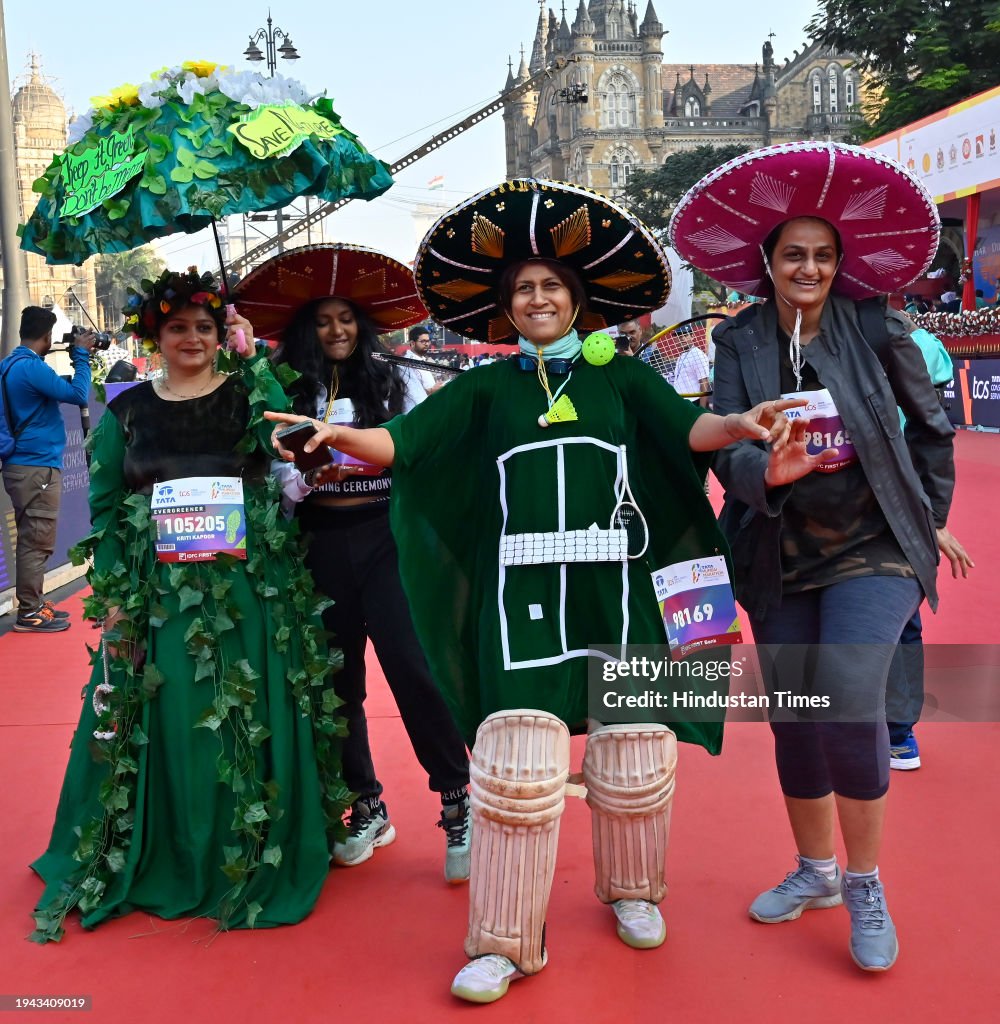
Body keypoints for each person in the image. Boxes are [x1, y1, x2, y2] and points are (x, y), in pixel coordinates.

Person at [266, 179, 799, 1003]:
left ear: (578, 301)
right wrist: (339, 435)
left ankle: (633, 890)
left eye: (552, 286)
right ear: (506, 307)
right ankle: (505, 941)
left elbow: (688, 431)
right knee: (515, 770)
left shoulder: (620, 378)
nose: (539, 297)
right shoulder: (483, 389)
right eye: (524, 289)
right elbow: (401, 443)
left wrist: (739, 425)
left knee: (635, 752)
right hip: (518, 608)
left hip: (621, 592)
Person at [670, 141, 967, 972]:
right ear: (767, 262)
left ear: (841, 264)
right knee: (798, 718)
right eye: (794, 254)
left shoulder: (876, 323)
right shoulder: (738, 342)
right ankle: (816, 871)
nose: (809, 267)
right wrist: (763, 467)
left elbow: (932, 429)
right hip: (776, 552)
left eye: (823, 256)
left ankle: (866, 881)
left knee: (843, 697)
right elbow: (723, 439)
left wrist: (925, 525)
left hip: (875, 552)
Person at [29, 269, 347, 942]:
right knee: (173, 718)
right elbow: (110, 509)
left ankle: (255, 846)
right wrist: (114, 597)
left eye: (206, 327)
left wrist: (254, 359)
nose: (193, 339)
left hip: (248, 593)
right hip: (161, 598)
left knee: (248, 713)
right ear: (156, 335)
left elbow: (289, 462)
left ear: (221, 334)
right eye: (179, 328)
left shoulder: (250, 399)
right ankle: (172, 847)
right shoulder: (127, 412)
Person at [233, 244, 472, 882]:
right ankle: (365, 806)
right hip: (317, 547)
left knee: (416, 673)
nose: (336, 331)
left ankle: (457, 804)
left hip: (389, 541)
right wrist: (304, 477)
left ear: (363, 325)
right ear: (305, 330)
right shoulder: (286, 389)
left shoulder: (400, 378)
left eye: (347, 319)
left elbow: (428, 452)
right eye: (323, 320)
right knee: (338, 686)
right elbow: (269, 474)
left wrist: (376, 456)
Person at [0, 307, 95, 632]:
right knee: (36, 541)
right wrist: (81, 356)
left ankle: (34, 603)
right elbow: (78, 394)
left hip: (25, 466)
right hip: (35, 467)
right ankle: (29, 612)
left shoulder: (12, 365)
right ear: (46, 336)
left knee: (34, 538)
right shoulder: (29, 367)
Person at [671, 327, 711, 407]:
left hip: (693, 402)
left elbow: (704, 383)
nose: (682, 339)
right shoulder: (681, 356)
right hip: (681, 401)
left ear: (692, 336)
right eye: (679, 336)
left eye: (685, 335)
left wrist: (702, 410)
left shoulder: (698, 355)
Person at [406, 324, 439, 393]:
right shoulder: (407, 362)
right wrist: (432, 390)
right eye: (423, 341)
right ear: (412, 343)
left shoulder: (421, 360)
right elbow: (410, 392)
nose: (427, 344)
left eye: (428, 341)